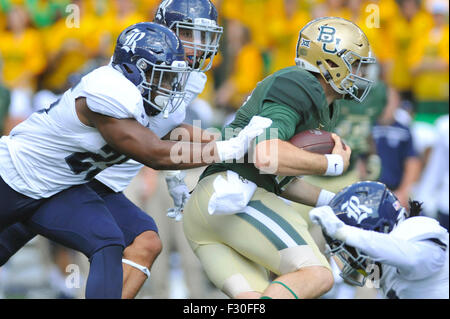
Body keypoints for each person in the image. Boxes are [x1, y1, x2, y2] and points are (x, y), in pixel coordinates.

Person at [0, 22, 270, 299]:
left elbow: (167, 134)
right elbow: (153, 153)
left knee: (108, 240)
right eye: (161, 76)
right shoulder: (108, 90)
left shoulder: (140, 97)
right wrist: (230, 149)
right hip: (13, 175)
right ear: (134, 69)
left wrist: (225, 141)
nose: (168, 86)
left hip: (61, 187)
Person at [182, 16, 376, 299]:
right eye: (355, 63)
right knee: (317, 274)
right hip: (234, 197)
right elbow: (266, 155)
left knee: (255, 299)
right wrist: (331, 164)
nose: (360, 72)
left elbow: (280, 178)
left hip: (210, 206)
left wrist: (333, 202)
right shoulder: (301, 84)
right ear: (330, 63)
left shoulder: (318, 101)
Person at [309, 181, 449, 299]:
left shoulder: (414, 232)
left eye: (348, 247)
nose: (347, 258)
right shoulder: (380, 263)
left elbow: (413, 257)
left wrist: (345, 233)